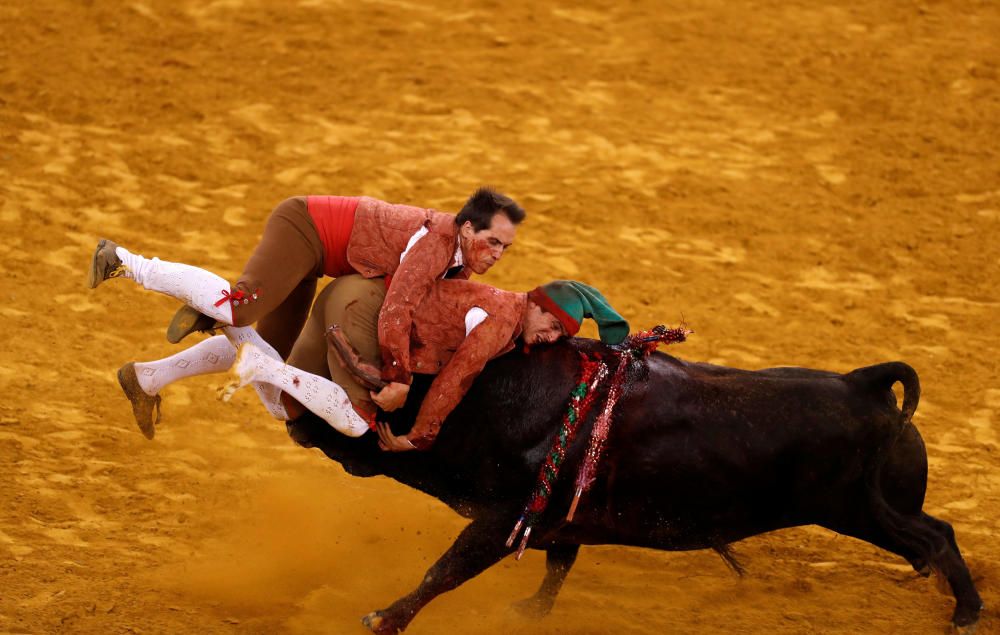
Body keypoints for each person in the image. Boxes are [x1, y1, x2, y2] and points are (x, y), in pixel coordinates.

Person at [89, 187, 525, 438]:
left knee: (271, 350)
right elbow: (396, 309)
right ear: (468, 227)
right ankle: (124, 261)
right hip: (305, 229)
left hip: (317, 262)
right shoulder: (439, 243)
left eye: (506, 248)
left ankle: (148, 377)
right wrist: (400, 378)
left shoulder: (459, 260)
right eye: (493, 242)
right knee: (240, 308)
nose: (498, 254)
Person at [223, 278, 629, 451]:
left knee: (282, 406)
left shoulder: (506, 310)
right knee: (352, 422)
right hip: (362, 315)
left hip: (352, 297)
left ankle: (225, 333)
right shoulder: (501, 322)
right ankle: (261, 363)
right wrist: (419, 437)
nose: (552, 337)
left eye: (561, 333)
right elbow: (456, 378)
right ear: (536, 303)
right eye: (552, 324)